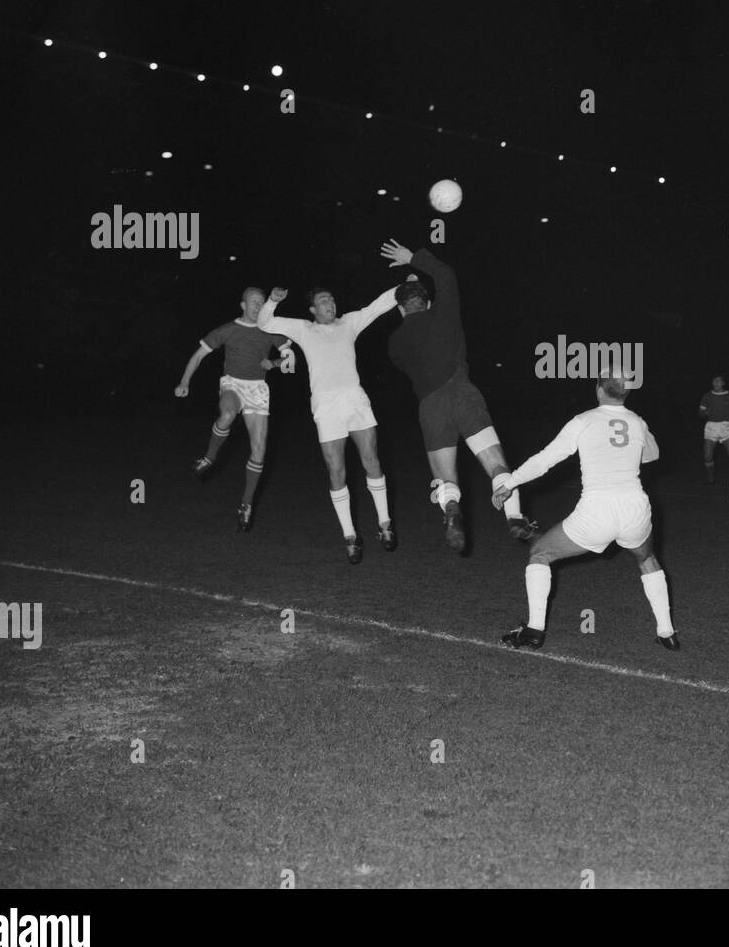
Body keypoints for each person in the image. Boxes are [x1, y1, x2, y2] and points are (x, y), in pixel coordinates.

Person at [493, 371, 677, 651]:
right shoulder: (637, 421)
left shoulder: (584, 420)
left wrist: (510, 483)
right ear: (626, 393)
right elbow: (652, 455)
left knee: (540, 553)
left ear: (599, 389)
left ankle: (534, 630)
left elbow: (545, 460)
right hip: (634, 508)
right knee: (647, 559)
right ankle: (667, 632)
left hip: (597, 510)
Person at [377, 238, 537, 552]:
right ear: (429, 302)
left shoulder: (395, 343)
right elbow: (446, 276)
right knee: (496, 465)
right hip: (464, 394)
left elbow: (411, 332)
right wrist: (413, 258)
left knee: (446, 478)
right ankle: (515, 516)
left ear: (399, 309)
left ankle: (451, 506)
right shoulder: (444, 315)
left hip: (430, 407)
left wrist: (409, 300)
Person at [258, 283, 400, 563]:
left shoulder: (349, 323)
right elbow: (265, 323)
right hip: (326, 405)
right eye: (324, 301)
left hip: (355, 399)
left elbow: (378, 306)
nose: (330, 304)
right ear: (313, 309)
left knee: (372, 461)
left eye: (332, 299)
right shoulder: (304, 329)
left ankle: (385, 524)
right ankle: (350, 536)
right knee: (336, 470)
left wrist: (403, 288)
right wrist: (272, 301)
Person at [174, 286, 293, 532]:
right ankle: (209, 457)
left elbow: (291, 360)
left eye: (262, 302)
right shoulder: (228, 330)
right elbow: (198, 356)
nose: (258, 306)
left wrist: (274, 362)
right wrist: (185, 381)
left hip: (258, 389)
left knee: (259, 451)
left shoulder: (270, 330)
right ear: (242, 305)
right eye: (253, 301)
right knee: (227, 414)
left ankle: (246, 504)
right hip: (233, 384)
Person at [699, 374, 729, 484]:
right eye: (714, 381)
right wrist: (704, 413)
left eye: (719, 381)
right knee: (707, 456)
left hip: (725, 427)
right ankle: (711, 479)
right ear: (712, 383)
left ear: (723, 383)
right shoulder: (707, 396)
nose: (716, 383)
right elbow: (701, 413)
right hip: (711, 427)